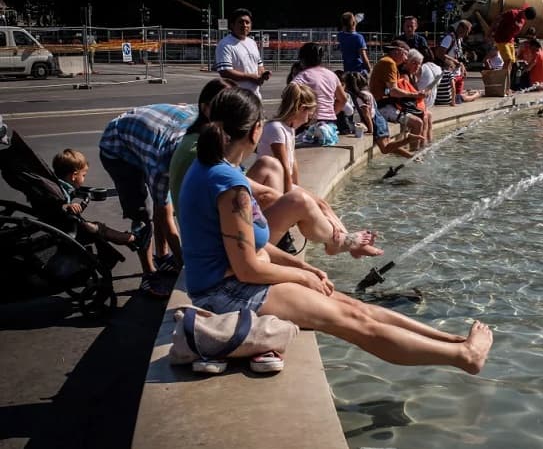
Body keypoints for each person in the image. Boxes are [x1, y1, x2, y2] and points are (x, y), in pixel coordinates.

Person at [177, 87, 494, 374]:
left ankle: (453, 341)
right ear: (256, 130)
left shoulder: (215, 169)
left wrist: (302, 265)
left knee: (358, 307)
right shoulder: (230, 185)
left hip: (229, 284)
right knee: (354, 322)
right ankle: (464, 357)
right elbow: (247, 267)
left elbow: (248, 248)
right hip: (225, 295)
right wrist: (302, 277)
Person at [169, 79, 382, 259]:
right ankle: (340, 240)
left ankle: (341, 240)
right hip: (220, 246)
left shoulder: (205, 148)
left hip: (216, 235)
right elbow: (246, 264)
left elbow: (253, 182)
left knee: (277, 174)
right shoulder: (206, 155)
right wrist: (288, 203)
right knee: (298, 202)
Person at [99, 103, 197, 297]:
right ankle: (149, 273)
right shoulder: (161, 164)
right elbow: (167, 218)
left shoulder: (202, 125)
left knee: (162, 203)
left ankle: (162, 257)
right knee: (144, 212)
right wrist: (188, 270)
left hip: (146, 135)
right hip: (117, 148)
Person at [52, 148, 149, 250]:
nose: (84, 179)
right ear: (74, 176)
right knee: (102, 229)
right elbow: (57, 204)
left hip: (66, 224)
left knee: (98, 228)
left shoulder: (55, 185)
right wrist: (68, 206)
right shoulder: (61, 191)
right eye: (83, 175)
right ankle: (133, 238)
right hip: (69, 228)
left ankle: (129, 240)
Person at [369, 40, 427, 155]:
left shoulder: (387, 62)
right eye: (406, 54)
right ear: (397, 52)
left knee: (418, 119)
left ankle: (411, 154)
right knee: (417, 123)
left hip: (384, 105)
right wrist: (415, 95)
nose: (406, 59)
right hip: (382, 107)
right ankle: (414, 154)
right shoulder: (389, 63)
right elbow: (394, 91)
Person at [292, 42, 348, 145]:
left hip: (308, 123)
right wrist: (332, 112)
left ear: (302, 59)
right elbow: (343, 99)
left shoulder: (302, 77)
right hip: (329, 124)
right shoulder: (332, 75)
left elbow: (290, 99)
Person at [214, 8, 271, 99]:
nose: (244, 25)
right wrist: (251, 77)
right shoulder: (225, 44)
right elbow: (225, 72)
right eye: (241, 22)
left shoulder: (252, 42)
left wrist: (263, 74)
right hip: (236, 97)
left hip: (255, 96)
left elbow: (259, 65)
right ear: (232, 25)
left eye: (247, 22)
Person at [488, 5, 537, 92]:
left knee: (512, 63)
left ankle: (507, 87)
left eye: (526, 18)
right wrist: (490, 32)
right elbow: (497, 18)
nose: (524, 18)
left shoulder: (523, 20)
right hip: (501, 39)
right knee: (507, 61)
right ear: (524, 12)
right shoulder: (512, 13)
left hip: (510, 41)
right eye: (524, 16)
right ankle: (501, 86)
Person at [400, 49, 433, 147]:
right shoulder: (404, 76)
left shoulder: (412, 75)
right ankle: (417, 148)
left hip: (412, 104)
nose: (417, 67)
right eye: (414, 63)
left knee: (428, 115)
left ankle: (427, 145)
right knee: (425, 116)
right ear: (407, 62)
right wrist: (420, 94)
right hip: (405, 106)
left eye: (419, 64)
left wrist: (425, 92)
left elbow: (415, 92)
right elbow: (407, 95)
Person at [435, 20, 472, 102]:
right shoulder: (449, 38)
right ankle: (476, 94)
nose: (467, 34)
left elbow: (457, 56)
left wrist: (462, 66)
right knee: (457, 99)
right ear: (460, 28)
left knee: (459, 97)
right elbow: (439, 53)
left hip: (458, 74)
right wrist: (453, 61)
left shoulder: (458, 40)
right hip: (450, 75)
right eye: (467, 30)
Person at [337, 12, 371, 76]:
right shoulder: (358, 37)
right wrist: (369, 69)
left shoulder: (340, 35)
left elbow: (345, 29)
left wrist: (352, 23)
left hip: (347, 71)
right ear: (353, 23)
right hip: (359, 71)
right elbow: (363, 57)